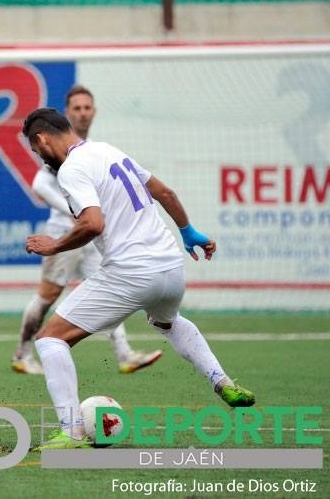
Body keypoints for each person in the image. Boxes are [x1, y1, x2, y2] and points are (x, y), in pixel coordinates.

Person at [21, 107, 255, 449]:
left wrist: (54, 244)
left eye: (35, 148)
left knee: (50, 340)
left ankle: (71, 431)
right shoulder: (109, 150)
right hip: (171, 268)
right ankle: (222, 381)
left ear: (41, 138)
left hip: (131, 271)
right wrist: (189, 231)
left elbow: (93, 224)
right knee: (168, 322)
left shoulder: (71, 169)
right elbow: (166, 193)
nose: (39, 156)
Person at [12, 85, 162, 375]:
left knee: (108, 285)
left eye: (87, 107)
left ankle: (124, 354)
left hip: (89, 233)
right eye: (77, 108)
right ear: (67, 114)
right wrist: (70, 211)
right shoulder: (57, 146)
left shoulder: (91, 148)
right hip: (64, 233)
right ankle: (22, 353)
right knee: (48, 295)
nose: (82, 113)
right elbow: (40, 184)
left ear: (93, 111)